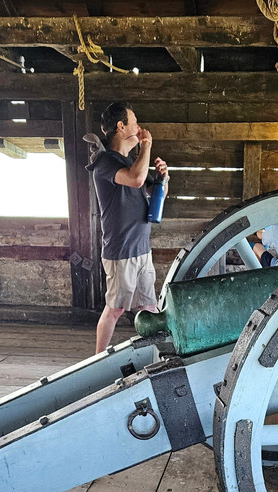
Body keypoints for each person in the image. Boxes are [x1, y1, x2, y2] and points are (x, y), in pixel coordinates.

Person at [86, 102, 169, 353]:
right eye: (134, 123)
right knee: (115, 309)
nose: (139, 128)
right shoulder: (104, 163)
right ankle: (96, 361)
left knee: (150, 307)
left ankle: (157, 355)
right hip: (121, 251)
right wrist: (146, 145)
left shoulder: (130, 161)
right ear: (121, 127)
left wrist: (164, 178)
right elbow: (136, 179)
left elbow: (156, 192)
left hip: (142, 248)